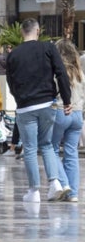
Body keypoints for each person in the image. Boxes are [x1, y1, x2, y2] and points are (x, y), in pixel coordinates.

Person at [7, 18, 73, 203]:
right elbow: (61, 73)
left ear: (22, 32)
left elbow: (10, 83)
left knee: (29, 148)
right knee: (47, 145)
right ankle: (55, 184)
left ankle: (34, 191)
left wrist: (19, 98)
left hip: (26, 106)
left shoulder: (13, 55)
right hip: (47, 104)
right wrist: (66, 100)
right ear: (37, 31)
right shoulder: (48, 48)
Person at [51, 38, 84, 203]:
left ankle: (64, 184)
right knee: (72, 153)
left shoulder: (57, 73)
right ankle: (74, 194)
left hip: (61, 111)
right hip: (78, 115)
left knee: (52, 149)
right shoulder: (80, 74)